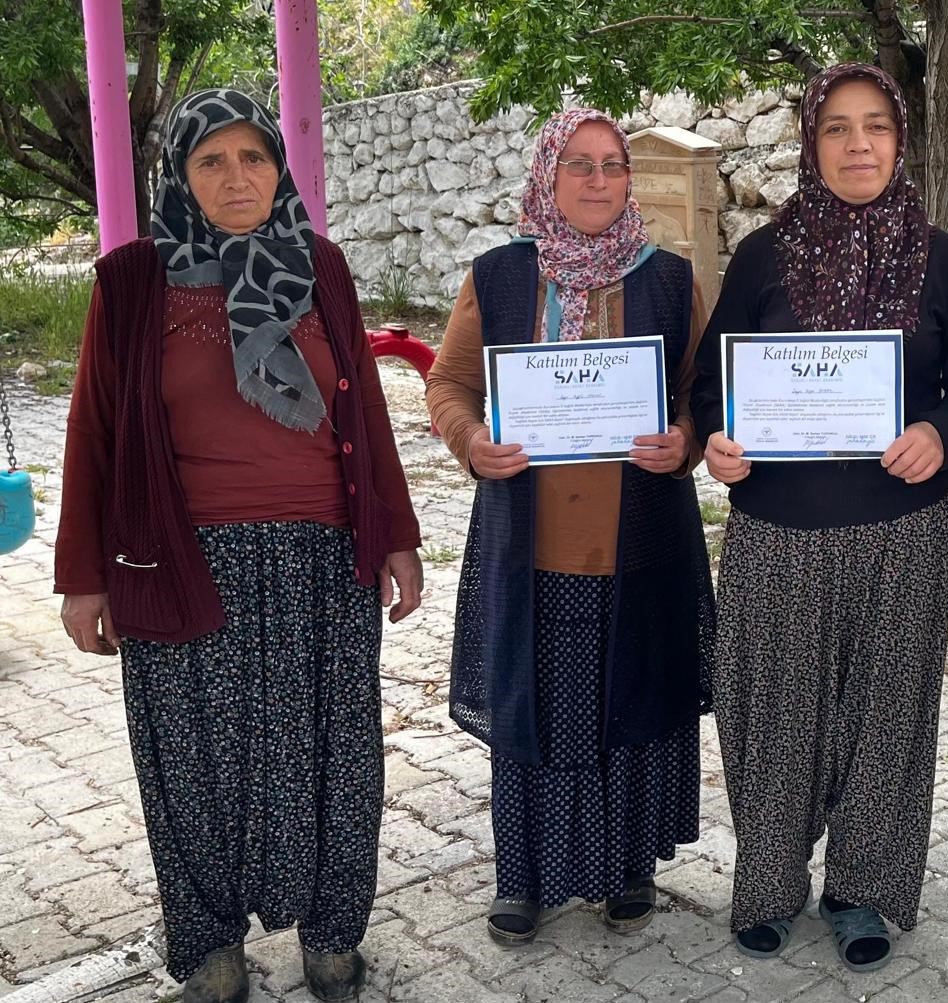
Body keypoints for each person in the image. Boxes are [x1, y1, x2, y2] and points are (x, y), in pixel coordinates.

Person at [54, 89, 423, 1003]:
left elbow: (365, 411)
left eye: (253, 157)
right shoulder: (132, 280)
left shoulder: (319, 266)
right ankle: (209, 945)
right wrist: (82, 577)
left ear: (278, 168)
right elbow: (94, 430)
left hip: (320, 559)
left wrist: (399, 536)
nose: (235, 177)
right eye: (210, 161)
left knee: (336, 758)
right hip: (182, 562)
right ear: (179, 177)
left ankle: (332, 934)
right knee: (188, 765)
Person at [691, 63, 948, 972]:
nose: (857, 144)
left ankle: (862, 888)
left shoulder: (943, 261)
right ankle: (768, 881)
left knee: (887, 715)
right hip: (777, 531)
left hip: (901, 530)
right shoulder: (762, 257)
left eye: (875, 126)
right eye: (835, 127)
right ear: (810, 143)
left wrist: (940, 433)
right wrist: (716, 440)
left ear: (899, 140)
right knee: (771, 712)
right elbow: (711, 382)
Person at [425, 108, 714, 945]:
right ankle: (523, 875)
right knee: (536, 705)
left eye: (612, 165)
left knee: (633, 693)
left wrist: (686, 440)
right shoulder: (500, 277)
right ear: (546, 177)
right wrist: (471, 441)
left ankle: (628, 867)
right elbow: (448, 384)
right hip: (531, 546)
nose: (597, 180)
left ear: (629, 180)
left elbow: (701, 391)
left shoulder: (669, 280)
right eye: (578, 165)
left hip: (640, 544)